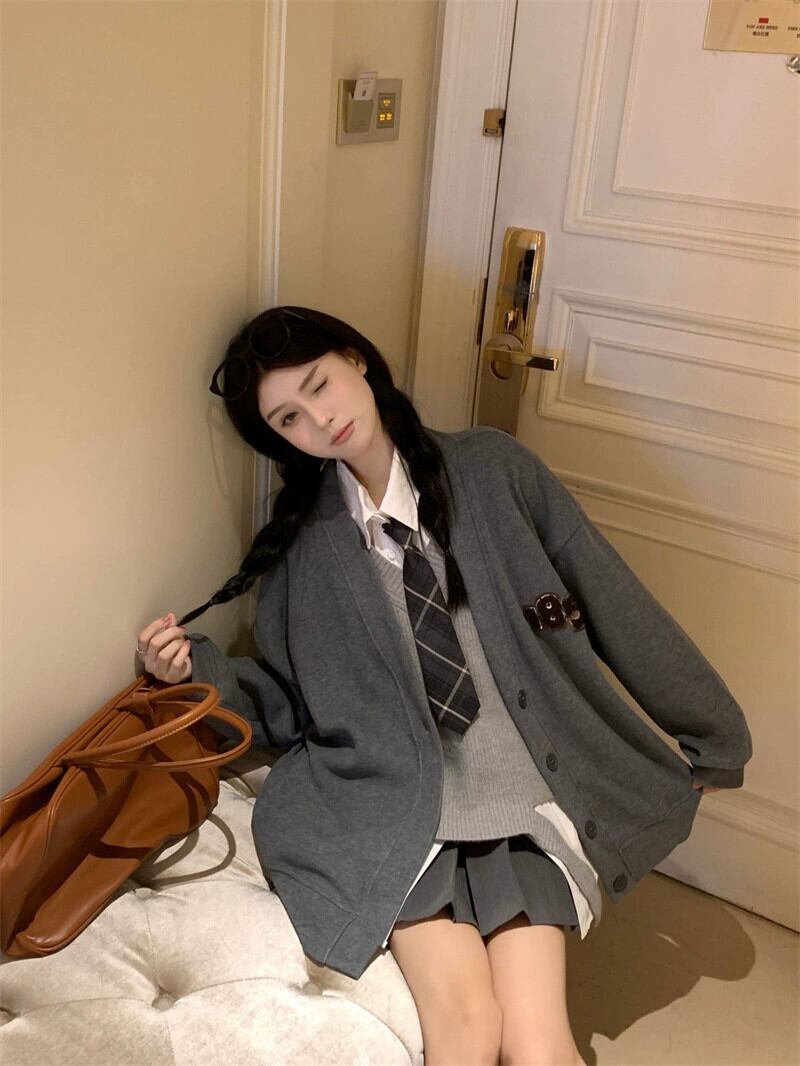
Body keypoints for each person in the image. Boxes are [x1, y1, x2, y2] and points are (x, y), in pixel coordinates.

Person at [136, 306, 752, 1066]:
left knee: (536, 1041)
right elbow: (292, 703)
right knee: (466, 1028)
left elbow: (612, 596)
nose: (319, 420)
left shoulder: (494, 471)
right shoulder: (306, 549)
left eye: (320, 385)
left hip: (524, 788)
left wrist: (712, 732)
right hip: (398, 805)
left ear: (357, 359)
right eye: (288, 417)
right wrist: (196, 672)